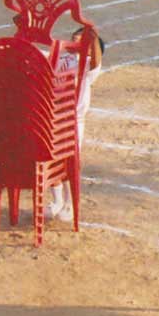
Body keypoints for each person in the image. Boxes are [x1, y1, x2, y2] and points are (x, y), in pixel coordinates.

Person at [47, 26, 103, 222]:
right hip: (54, 116)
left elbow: (97, 60)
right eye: (73, 38)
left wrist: (94, 39)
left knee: (71, 161)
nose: (74, 42)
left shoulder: (88, 66)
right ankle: (56, 200)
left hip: (74, 121)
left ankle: (70, 203)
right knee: (52, 158)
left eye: (80, 40)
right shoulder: (61, 58)